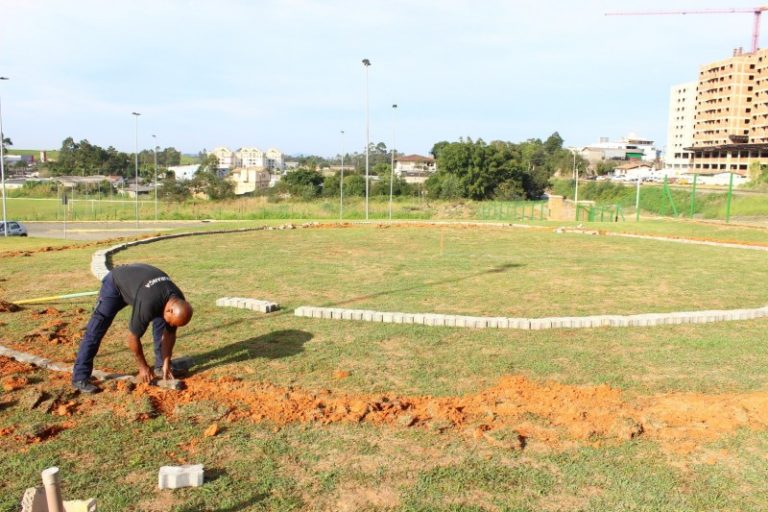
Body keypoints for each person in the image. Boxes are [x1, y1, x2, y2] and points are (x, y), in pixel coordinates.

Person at [71, 263, 193, 393]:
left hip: (143, 287)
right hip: (116, 284)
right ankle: (80, 377)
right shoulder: (148, 303)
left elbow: (169, 333)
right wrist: (143, 366)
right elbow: (132, 338)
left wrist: (166, 361)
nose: (172, 325)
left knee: (163, 323)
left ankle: (160, 366)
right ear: (169, 310)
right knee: (97, 327)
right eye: (172, 321)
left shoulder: (178, 300)